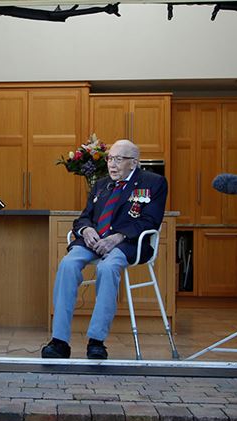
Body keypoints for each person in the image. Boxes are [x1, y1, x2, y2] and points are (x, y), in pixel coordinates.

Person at [42, 139, 167, 360]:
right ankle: (59, 341)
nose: (112, 164)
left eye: (119, 159)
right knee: (67, 264)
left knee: (107, 268)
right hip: (93, 242)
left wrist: (118, 237)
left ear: (134, 163)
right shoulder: (101, 184)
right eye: (110, 158)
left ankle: (96, 341)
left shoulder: (153, 183)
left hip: (128, 243)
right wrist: (86, 230)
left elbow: (150, 221)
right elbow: (83, 218)